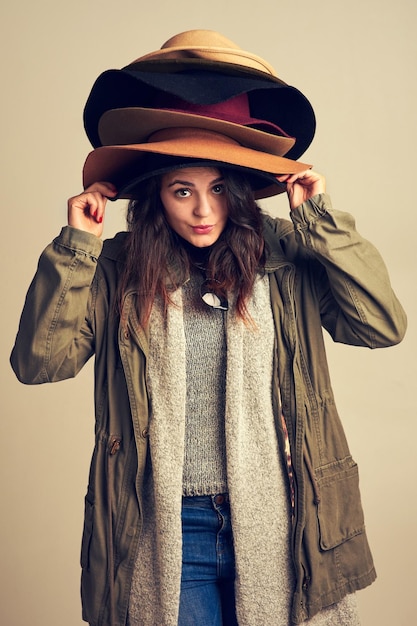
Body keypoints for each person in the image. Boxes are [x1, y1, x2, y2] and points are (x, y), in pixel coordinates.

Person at [10, 31, 406, 626]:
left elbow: (381, 326)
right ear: (156, 197)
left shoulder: (286, 257)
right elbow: (41, 363)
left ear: (242, 189)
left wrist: (321, 223)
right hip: (167, 528)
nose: (203, 211)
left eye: (219, 188)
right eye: (182, 190)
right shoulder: (115, 268)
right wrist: (77, 247)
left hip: (280, 516)